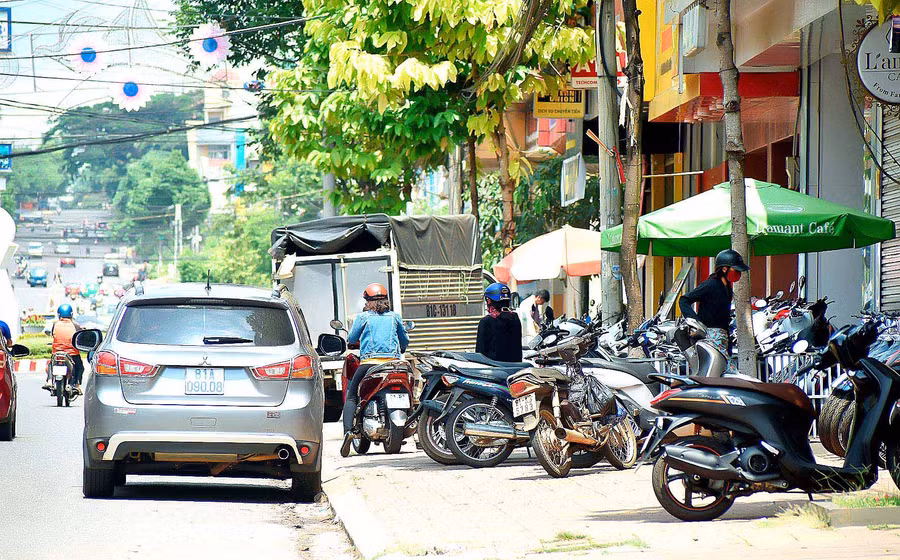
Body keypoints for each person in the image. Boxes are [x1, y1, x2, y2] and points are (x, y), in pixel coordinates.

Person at [340, 283, 409, 457]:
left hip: (370, 363)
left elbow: (352, 338)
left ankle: (348, 432)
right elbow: (404, 341)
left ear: (369, 302)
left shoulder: (364, 317)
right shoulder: (395, 317)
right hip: (393, 364)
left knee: (351, 395)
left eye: (366, 302)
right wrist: (399, 350)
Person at [678, 249, 750, 373]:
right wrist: (696, 322)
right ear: (724, 269)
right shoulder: (711, 284)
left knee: (722, 373)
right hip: (710, 338)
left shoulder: (727, 288)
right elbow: (684, 300)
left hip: (723, 338)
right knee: (722, 372)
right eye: (735, 270)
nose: (738, 273)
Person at [476, 282, 523, 363]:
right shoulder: (515, 318)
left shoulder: (486, 322)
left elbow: (480, 354)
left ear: (489, 301)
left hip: (494, 368)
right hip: (515, 368)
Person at [45, 304, 84, 394]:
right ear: (71, 314)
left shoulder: (55, 324)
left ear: (59, 314)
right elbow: (80, 337)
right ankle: (77, 385)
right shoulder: (76, 325)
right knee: (80, 367)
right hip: (72, 353)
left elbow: (53, 334)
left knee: (51, 364)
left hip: (57, 353)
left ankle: (49, 380)